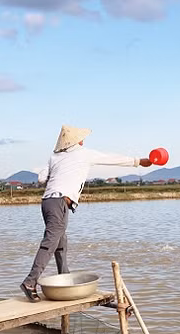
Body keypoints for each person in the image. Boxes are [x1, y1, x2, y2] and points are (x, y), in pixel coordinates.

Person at [20, 125, 152, 301]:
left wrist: (57, 174)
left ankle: (64, 277)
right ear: (76, 141)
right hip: (59, 202)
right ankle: (30, 282)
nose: (83, 141)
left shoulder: (55, 157)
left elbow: (41, 178)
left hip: (47, 202)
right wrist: (139, 161)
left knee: (60, 241)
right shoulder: (84, 153)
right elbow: (111, 159)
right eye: (81, 139)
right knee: (51, 241)